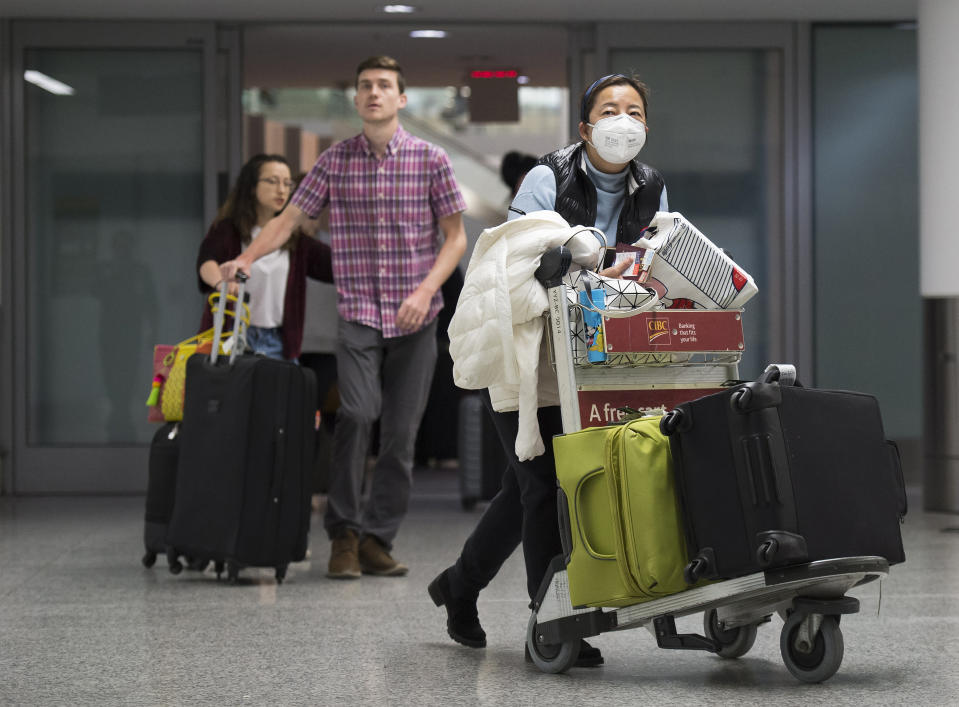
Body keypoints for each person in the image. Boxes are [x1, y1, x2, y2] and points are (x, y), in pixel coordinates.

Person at [428, 73, 669, 667]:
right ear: (585, 127)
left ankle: (459, 586)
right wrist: (579, 265)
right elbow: (510, 261)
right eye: (609, 110)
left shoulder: (651, 187)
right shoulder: (547, 177)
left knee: (527, 489)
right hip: (526, 356)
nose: (623, 121)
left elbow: (656, 258)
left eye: (634, 111)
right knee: (542, 487)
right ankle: (553, 620)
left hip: (593, 359)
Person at [219, 56, 468, 580]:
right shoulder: (335, 162)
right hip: (358, 313)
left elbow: (455, 238)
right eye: (364, 86)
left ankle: (378, 538)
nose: (373, 93)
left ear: (401, 99)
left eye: (384, 86)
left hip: (416, 316)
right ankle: (344, 535)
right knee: (356, 414)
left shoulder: (431, 160)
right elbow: (289, 220)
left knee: (402, 435)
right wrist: (245, 258)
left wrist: (426, 290)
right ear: (356, 100)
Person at [196, 154, 333, 361]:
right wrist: (221, 283)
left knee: (282, 392)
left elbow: (335, 266)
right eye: (273, 181)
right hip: (233, 336)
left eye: (288, 184)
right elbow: (206, 261)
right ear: (252, 186)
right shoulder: (228, 229)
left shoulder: (298, 241)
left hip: (278, 341)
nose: (282, 190)